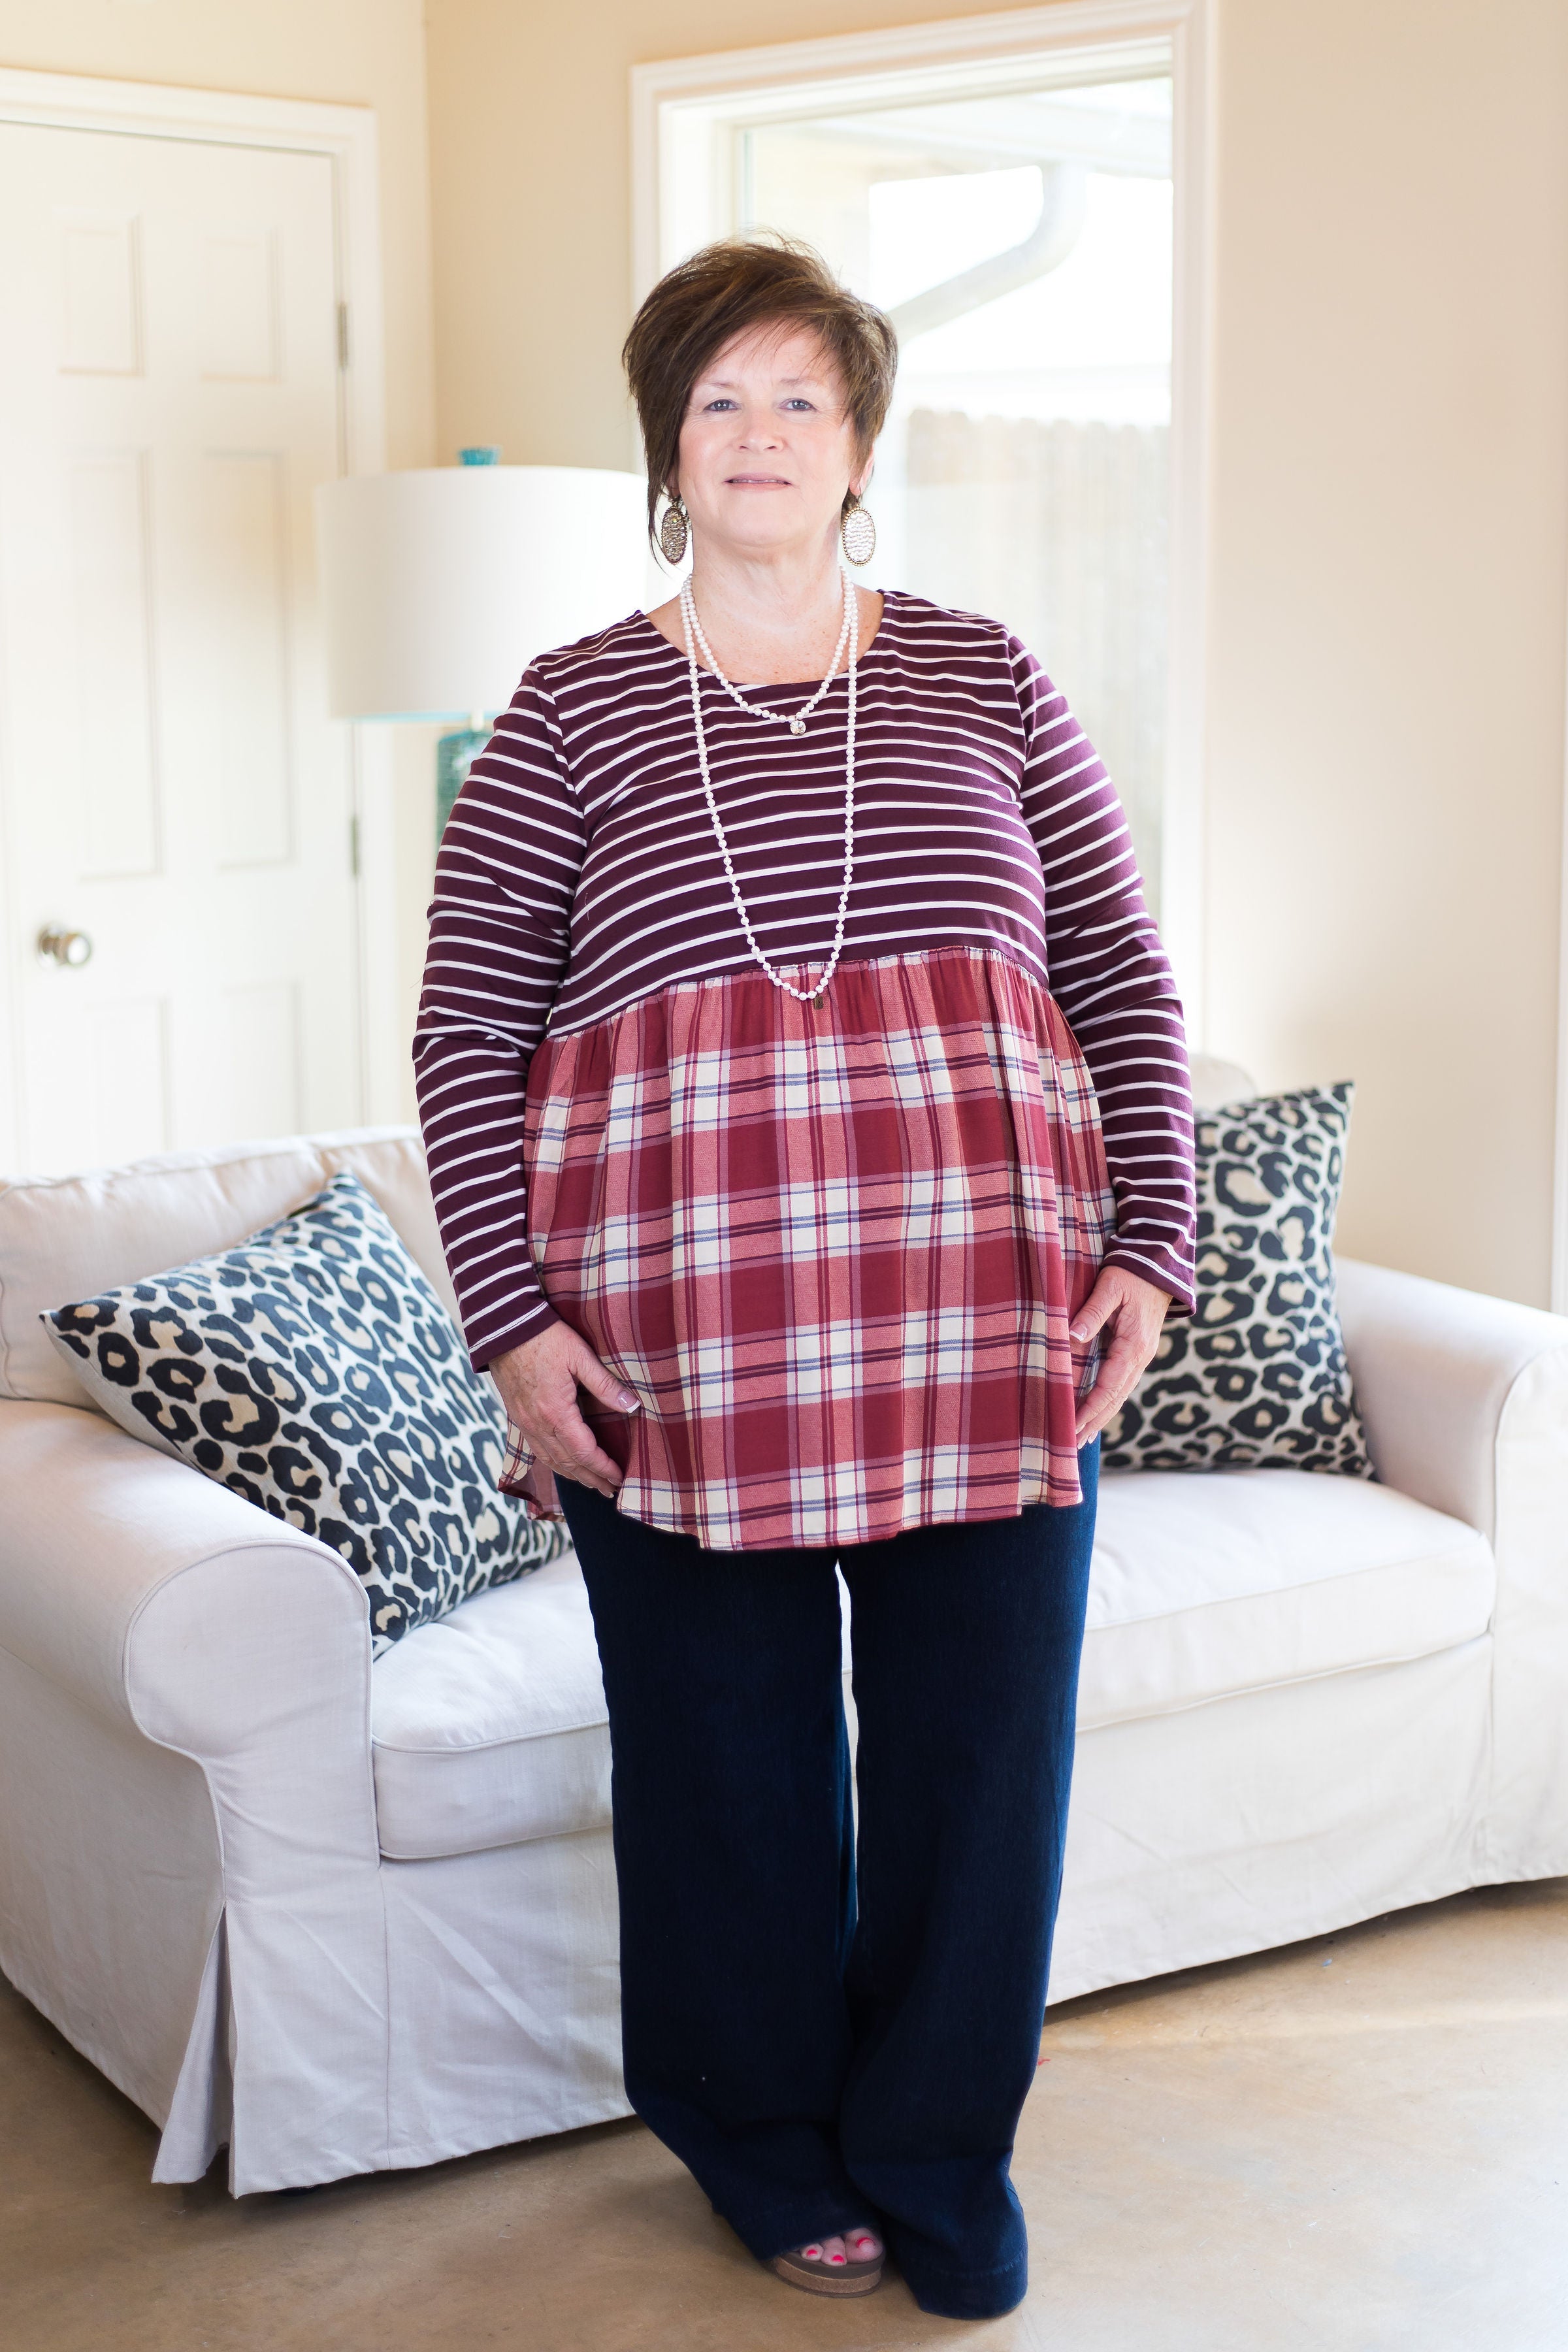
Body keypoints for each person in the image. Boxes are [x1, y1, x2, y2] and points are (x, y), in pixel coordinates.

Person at [414, 235, 1195, 2322]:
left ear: (859, 446)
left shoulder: (987, 675)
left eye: (802, 400)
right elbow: (465, 1035)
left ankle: (939, 2150)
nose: (760, 436)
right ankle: (759, 2143)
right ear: (667, 445)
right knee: (725, 1787)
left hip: (990, 1332)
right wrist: (514, 1324)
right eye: (718, 400)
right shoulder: (568, 710)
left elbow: (1123, 978)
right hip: (672, 1356)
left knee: (978, 1779)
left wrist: (1155, 1243)